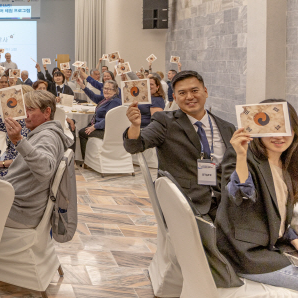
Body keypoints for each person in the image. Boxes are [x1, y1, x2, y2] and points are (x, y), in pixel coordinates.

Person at [123, 70, 236, 219]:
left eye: (194, 90)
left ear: (205, 92)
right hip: (187, 204)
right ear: (175, 98)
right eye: (182, 93)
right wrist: (135, 126)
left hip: (226, 203)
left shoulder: (227, 127)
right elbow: (134, 146)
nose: (190, 97)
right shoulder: (165, 122)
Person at [216, 100, 298, 291]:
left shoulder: (287, 164)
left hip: (270, 246)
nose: (279, 136)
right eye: (271, 130)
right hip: (245, 253)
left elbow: (275, 213)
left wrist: (293, 238)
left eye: (285, 128)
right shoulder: (242, 158)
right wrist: (241, 156)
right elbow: (240, 196)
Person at [2, 90, 68, 228]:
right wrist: (2, 164)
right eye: (24, 109)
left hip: (19, 211)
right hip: (18, 204)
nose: (25, 115)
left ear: (47, 112)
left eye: (30, 110)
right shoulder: (42, 132)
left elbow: (44, 169)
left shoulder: (47, 136)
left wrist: (19, 140)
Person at [77, 79, 122, 160]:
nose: (106, 90)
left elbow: (109, 119)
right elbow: (93, 96)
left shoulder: (115, 102)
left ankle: (86, 160)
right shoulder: (106, 99)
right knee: (85, 128)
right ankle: (90, 157)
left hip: (106, 131)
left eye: (109, 89)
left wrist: (95, 126)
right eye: (105, 88)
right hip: (101, 127)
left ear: (115, 91)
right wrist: (82, 86)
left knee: (82, 133)